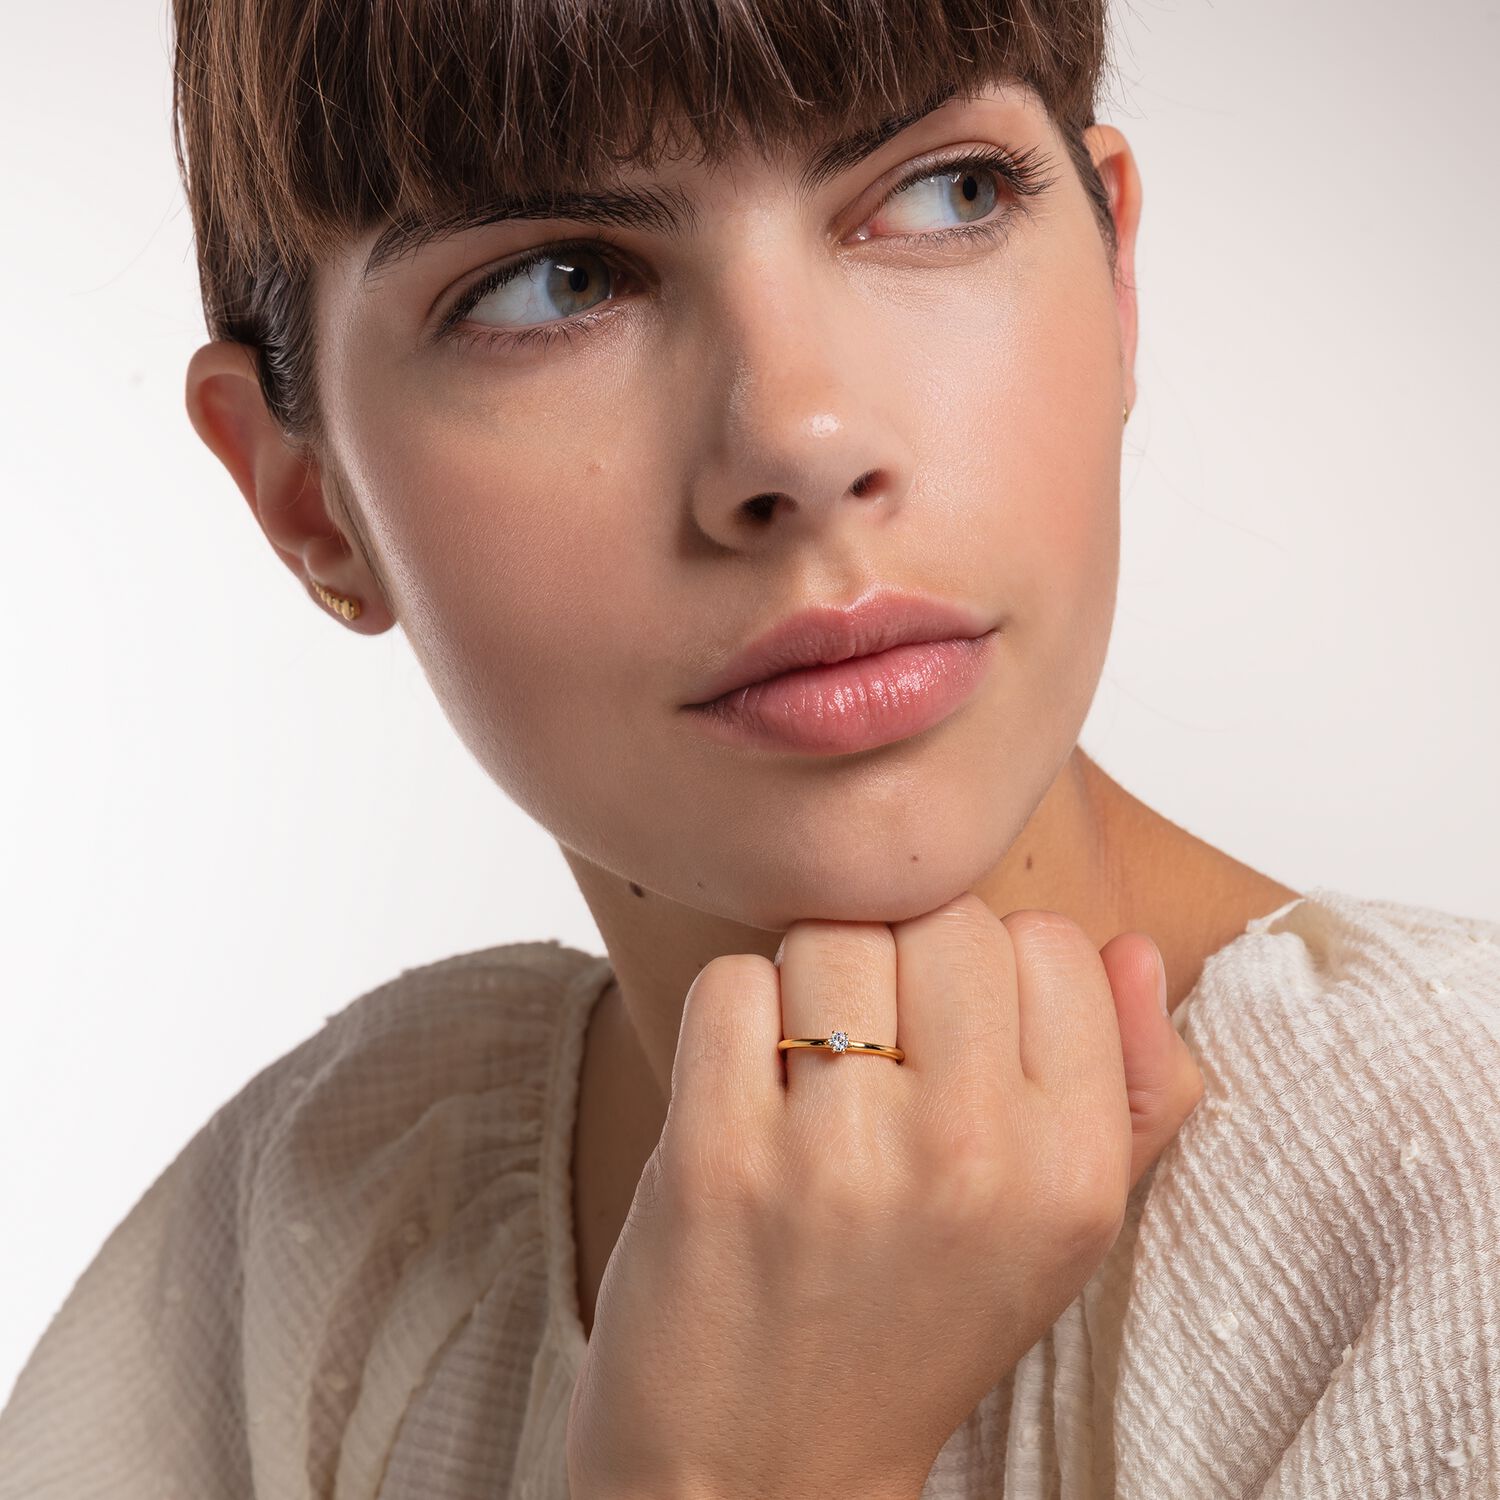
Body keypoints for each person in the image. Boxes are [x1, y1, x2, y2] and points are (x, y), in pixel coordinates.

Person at [2, 0, 1497, 1496]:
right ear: (305, 497)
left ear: (1115, 280)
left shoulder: (1450, 1217)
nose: (800, 437)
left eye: (946, 193)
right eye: (556, 282)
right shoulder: (338, 1219)